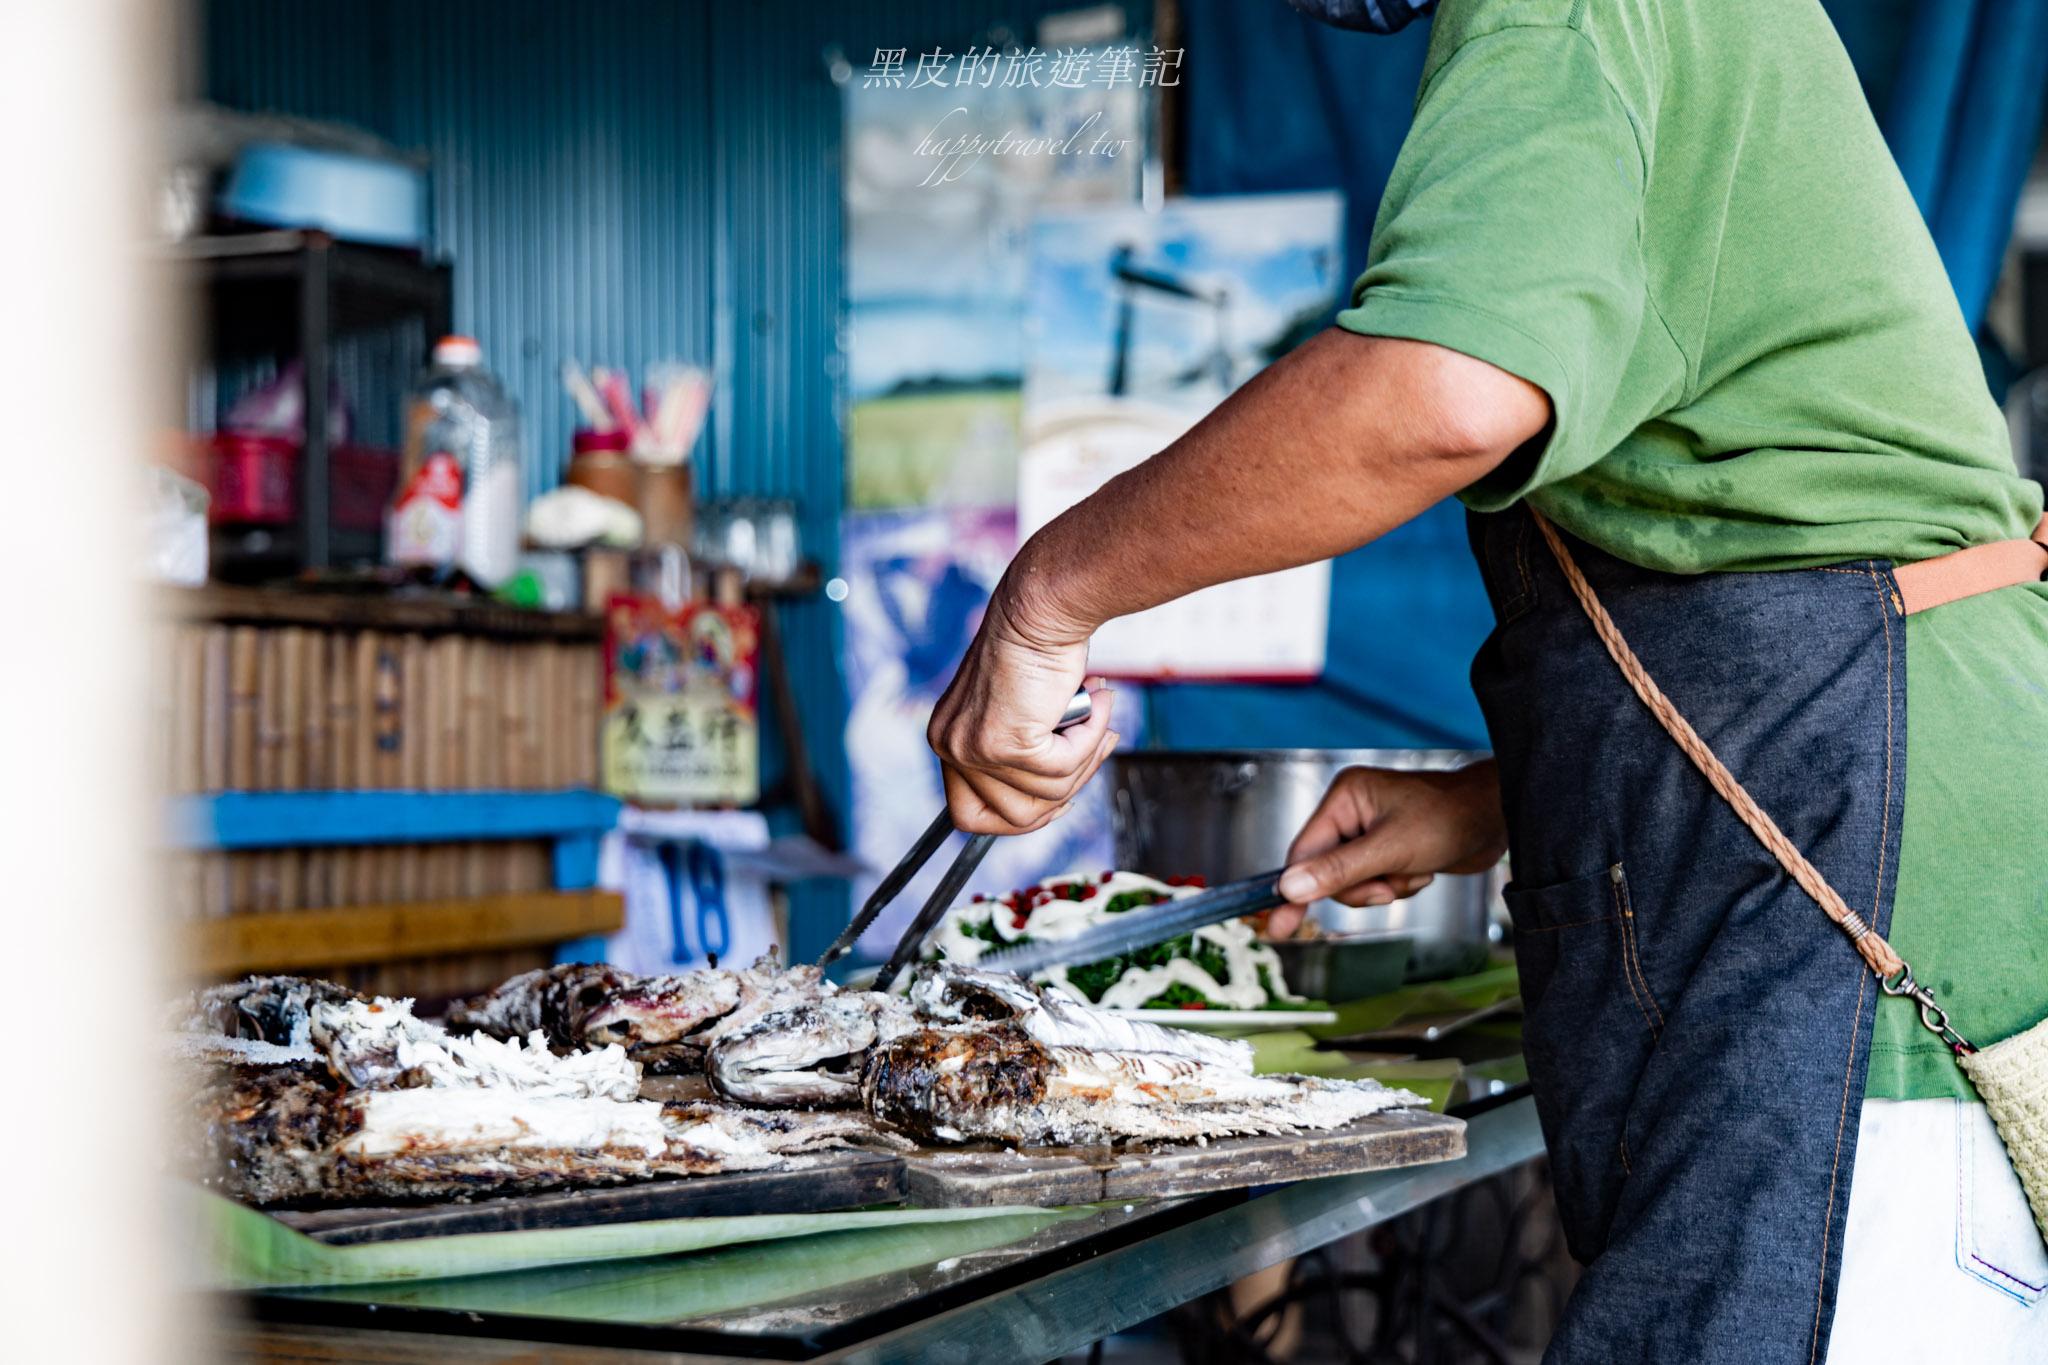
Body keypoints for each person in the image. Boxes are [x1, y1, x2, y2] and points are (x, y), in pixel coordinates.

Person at [925, 0, 2048, 1360]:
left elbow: (1445, 391)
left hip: (1860, 923)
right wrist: (1497, 800)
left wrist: (1051, 594)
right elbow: (1765, 523)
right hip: (1866, 821)